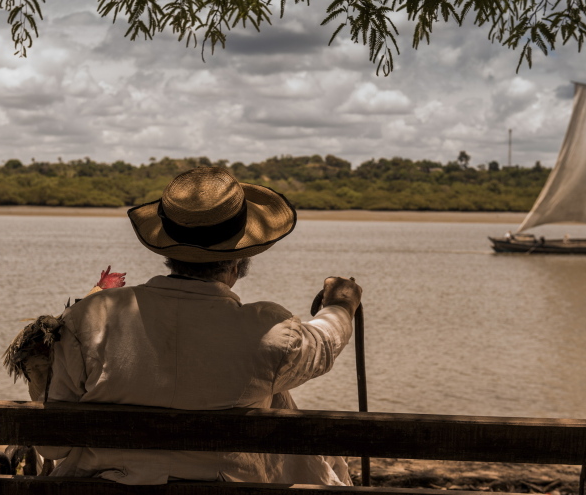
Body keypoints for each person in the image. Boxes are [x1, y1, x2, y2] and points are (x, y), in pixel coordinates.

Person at [29, 167, 363, 486]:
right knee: (272, 395)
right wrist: (341, 305)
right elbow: (323, 344)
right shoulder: (269, 332)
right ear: (240, 257)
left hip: (102, 491)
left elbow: (53, 447)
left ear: (167, 249)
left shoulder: (87, 319)